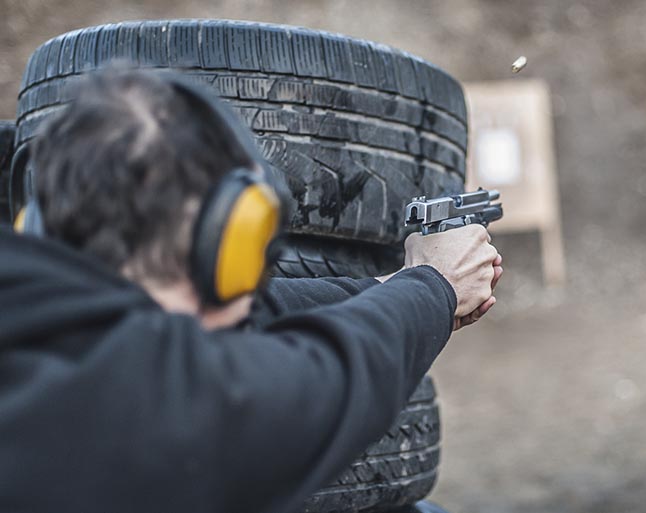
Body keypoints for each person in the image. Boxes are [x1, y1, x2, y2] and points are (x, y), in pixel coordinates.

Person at [0, 68, 502, 513]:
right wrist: (436, 286)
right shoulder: (134, 406)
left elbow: (262, 311)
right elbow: (319, 382)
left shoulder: (34, 318)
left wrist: (387, 284)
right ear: (228, 241)